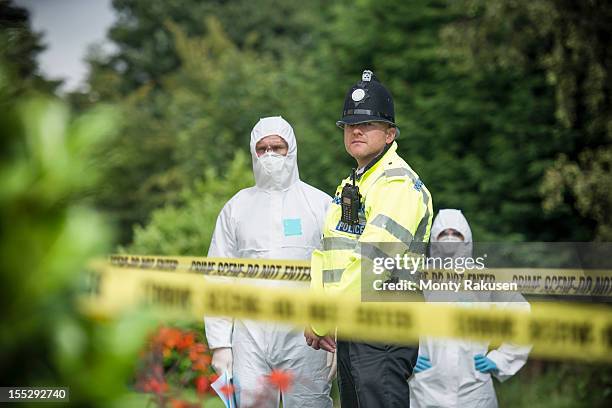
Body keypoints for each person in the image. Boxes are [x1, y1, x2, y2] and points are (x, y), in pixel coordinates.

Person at [305, 70, 433, 407]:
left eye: (368, 124)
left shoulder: (398, 185)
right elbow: (325, 254)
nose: (356, 130)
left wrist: (323, 319)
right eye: (349, 125)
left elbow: (373, 260)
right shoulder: (352, 184)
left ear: (390, 134)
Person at [204, 116, 333, 408]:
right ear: (253, 152)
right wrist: (220, 344)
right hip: (250, 336)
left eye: (278, 147)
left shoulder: (320, 204)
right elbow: (218, 277)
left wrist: (334, 326)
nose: (270, 155)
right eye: (262, 148)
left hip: (306, 336)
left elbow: (337, 272)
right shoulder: (237, 207)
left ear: (293, 150)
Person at [410, 209, 531, 408]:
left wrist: (502, 359)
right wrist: (406, 358)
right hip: (424, 388)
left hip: (474, 390)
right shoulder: (418, 281)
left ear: (467, 239)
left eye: (456, 233)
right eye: (443, 234)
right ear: (433, 239)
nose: (450, 239)